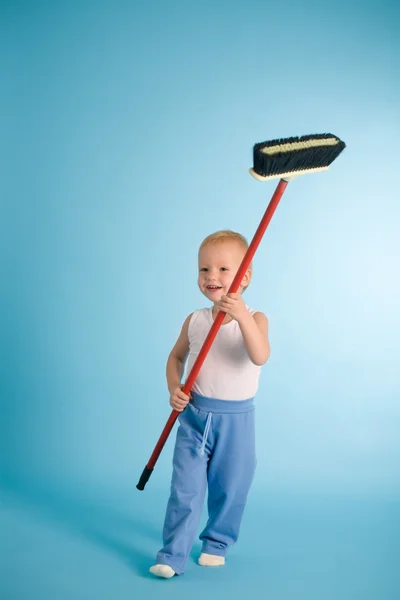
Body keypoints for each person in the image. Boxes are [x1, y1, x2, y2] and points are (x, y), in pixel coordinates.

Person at [149, 230, 270, 578]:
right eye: (204, 270)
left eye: (223, 269)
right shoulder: (196, 320)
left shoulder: (257, 318)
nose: (212, 277)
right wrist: (175, 387)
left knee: (231, 487)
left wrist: (243, 316)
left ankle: (217, 543)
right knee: (184, 490)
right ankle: (172, 555)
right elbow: (175, 358)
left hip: (237, 421)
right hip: (195, 417)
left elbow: (260, 356)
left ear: (244, 276)